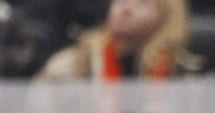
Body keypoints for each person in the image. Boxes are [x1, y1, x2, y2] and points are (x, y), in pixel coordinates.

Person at [35, 0, 191, 77]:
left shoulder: (178, 73)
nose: (126, 9)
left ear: (166, 17)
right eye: (121, 0)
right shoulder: (73, 65)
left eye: (142, 3)